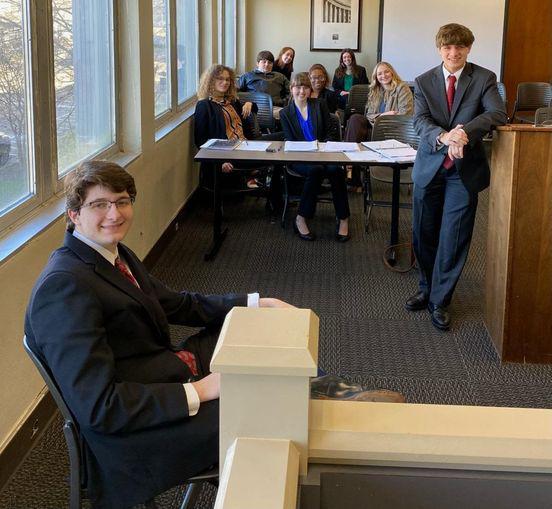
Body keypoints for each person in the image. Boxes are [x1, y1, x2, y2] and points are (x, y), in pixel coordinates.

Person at [24, 160, 293, 508]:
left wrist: (255, 303)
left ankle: (325, 392)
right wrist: (201, 390)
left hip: (159, 374)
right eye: (99, 204)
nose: (114, 214)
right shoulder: (64, 287)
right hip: (135, 436)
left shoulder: (111, 254)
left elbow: (178, 304)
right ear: (74, 214)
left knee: (254, 333)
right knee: (273, 409)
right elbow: (100, 407)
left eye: (122, 201)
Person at [405, 23, 507, 331]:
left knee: (453, 237)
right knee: (424, 234)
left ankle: (440, 300)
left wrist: (464, 132)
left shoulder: (484, 78)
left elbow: (496, 114)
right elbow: (420, 121)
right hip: (430, 168)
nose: (454, 52)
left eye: (460, 47)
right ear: (439, 49)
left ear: (468, 48)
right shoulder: (424, 81)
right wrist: (444, 136)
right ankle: (426, 287)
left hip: (463, 173)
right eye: (448, 47)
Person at [280, 72, 350, 242]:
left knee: (336, 171)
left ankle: (343, 218)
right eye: (298, 87)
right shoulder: (285, 113)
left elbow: (330, 132)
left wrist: (323, 146)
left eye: (305, 87)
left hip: (323, 153)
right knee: (315, 170)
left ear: (310, 90)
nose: (302, 91)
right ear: (291, 89)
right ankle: (301, 218)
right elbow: (290, 140)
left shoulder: (319, 105)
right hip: (300, 158)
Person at [343, 61, 414, 189]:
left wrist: (381, 118)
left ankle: (350, 172)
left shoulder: (402, 88)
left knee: (358, 133)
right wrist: (384, 115)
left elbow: (405, 114)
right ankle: (349, 163)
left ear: (392, 72)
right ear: (376, 77)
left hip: (393, 129)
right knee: (355, 119)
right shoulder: (375, 90)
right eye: (379, 74)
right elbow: (369, 114)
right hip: (374, 125)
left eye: (386, 72)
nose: (383, 76)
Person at [194, 64, 262, 190]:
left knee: (280, 143)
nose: (225, 82)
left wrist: (250, 103)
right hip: (228, 153)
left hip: (247, 145)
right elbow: (201, 140)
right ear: (211, 81)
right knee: (274, 160)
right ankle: (253, 178)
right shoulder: (204, 105)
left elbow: (253, 110)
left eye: (227, 79)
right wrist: (220, 161)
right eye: (220, 79)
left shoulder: (232, 101)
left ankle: (258, 181)